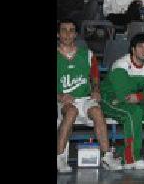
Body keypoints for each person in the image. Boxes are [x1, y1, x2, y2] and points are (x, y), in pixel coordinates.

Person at [56, 19, 120, 172]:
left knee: (97, 111)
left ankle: (106, 156)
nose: (67, 34)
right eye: (63, 30)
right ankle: (59, 157)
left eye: (71, 30)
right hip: (62, 101)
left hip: (84, 99)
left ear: (76, 34)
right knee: (71, 111)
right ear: (58, 34)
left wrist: (96, 90)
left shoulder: (87, 55)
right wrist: (60, 96)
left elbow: (95, 78)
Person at [101, 33, 144, 169]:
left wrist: (141, 97)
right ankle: (130, 159)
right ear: (133, 49)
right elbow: (124, 96)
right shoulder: (121, 65)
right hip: (111, 100)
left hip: (134, 100)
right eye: (140, 46)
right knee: (133, 112)